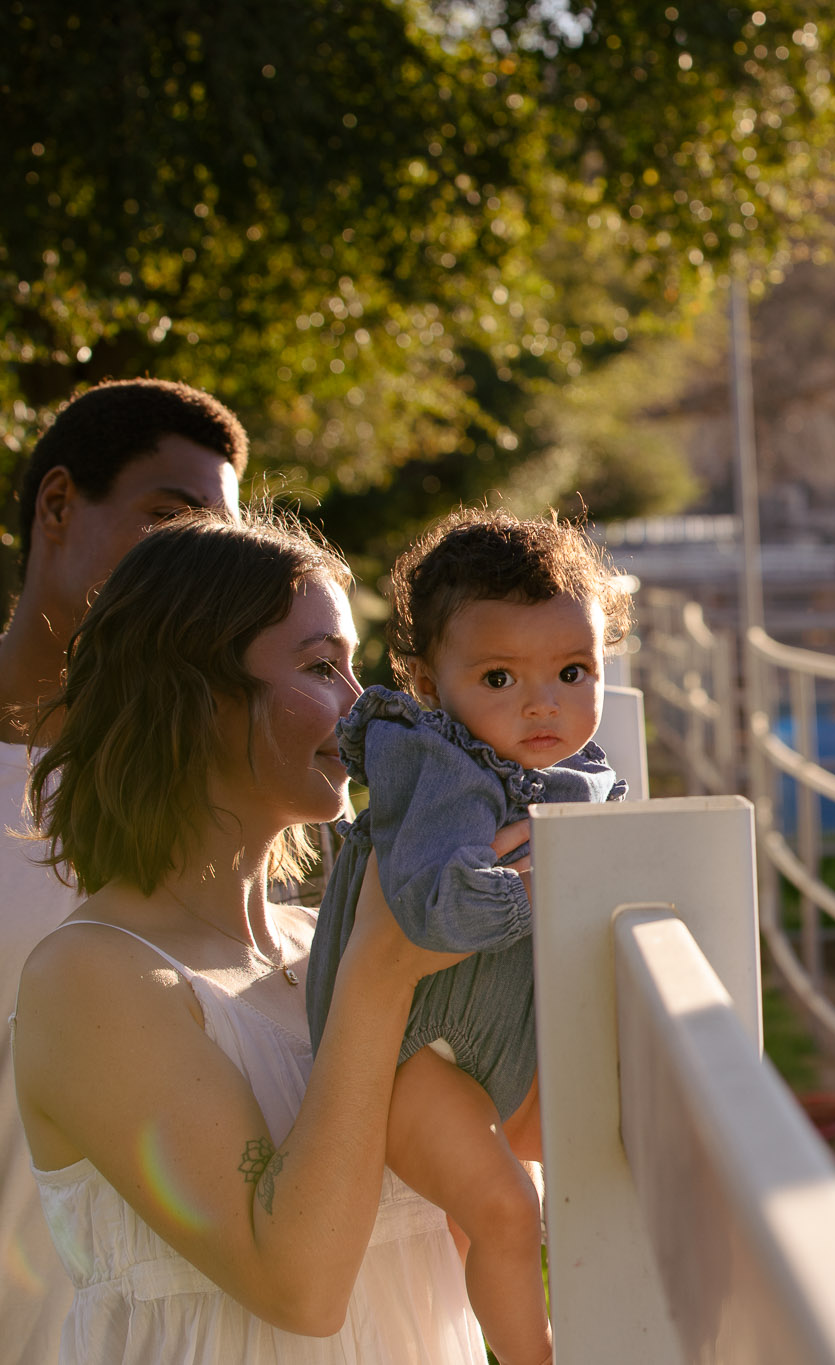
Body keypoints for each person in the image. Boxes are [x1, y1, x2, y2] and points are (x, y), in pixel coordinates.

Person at [11, 511, 487, 1363]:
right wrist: (380, 972)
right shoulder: (92, 975)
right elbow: (296, 1287)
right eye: (318, 667)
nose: (361, 708)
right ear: (190, 691)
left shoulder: (325, 941)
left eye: (353, 665)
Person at [304, 510, 630, 1365]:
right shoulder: (433, 761)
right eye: (497, 676)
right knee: (505, 1207)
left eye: (572, 670)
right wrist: (539, 886)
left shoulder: (574, 775)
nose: (542, 701)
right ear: (423, 680)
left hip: (491, 1032)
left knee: (606, 1156)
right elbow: (436, 907)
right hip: (408, 1047)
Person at [0, 379, 245, 1365]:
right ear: (59, 505)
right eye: (167, 519)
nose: (190, 565)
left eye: (213, 541)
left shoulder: (222, 794)